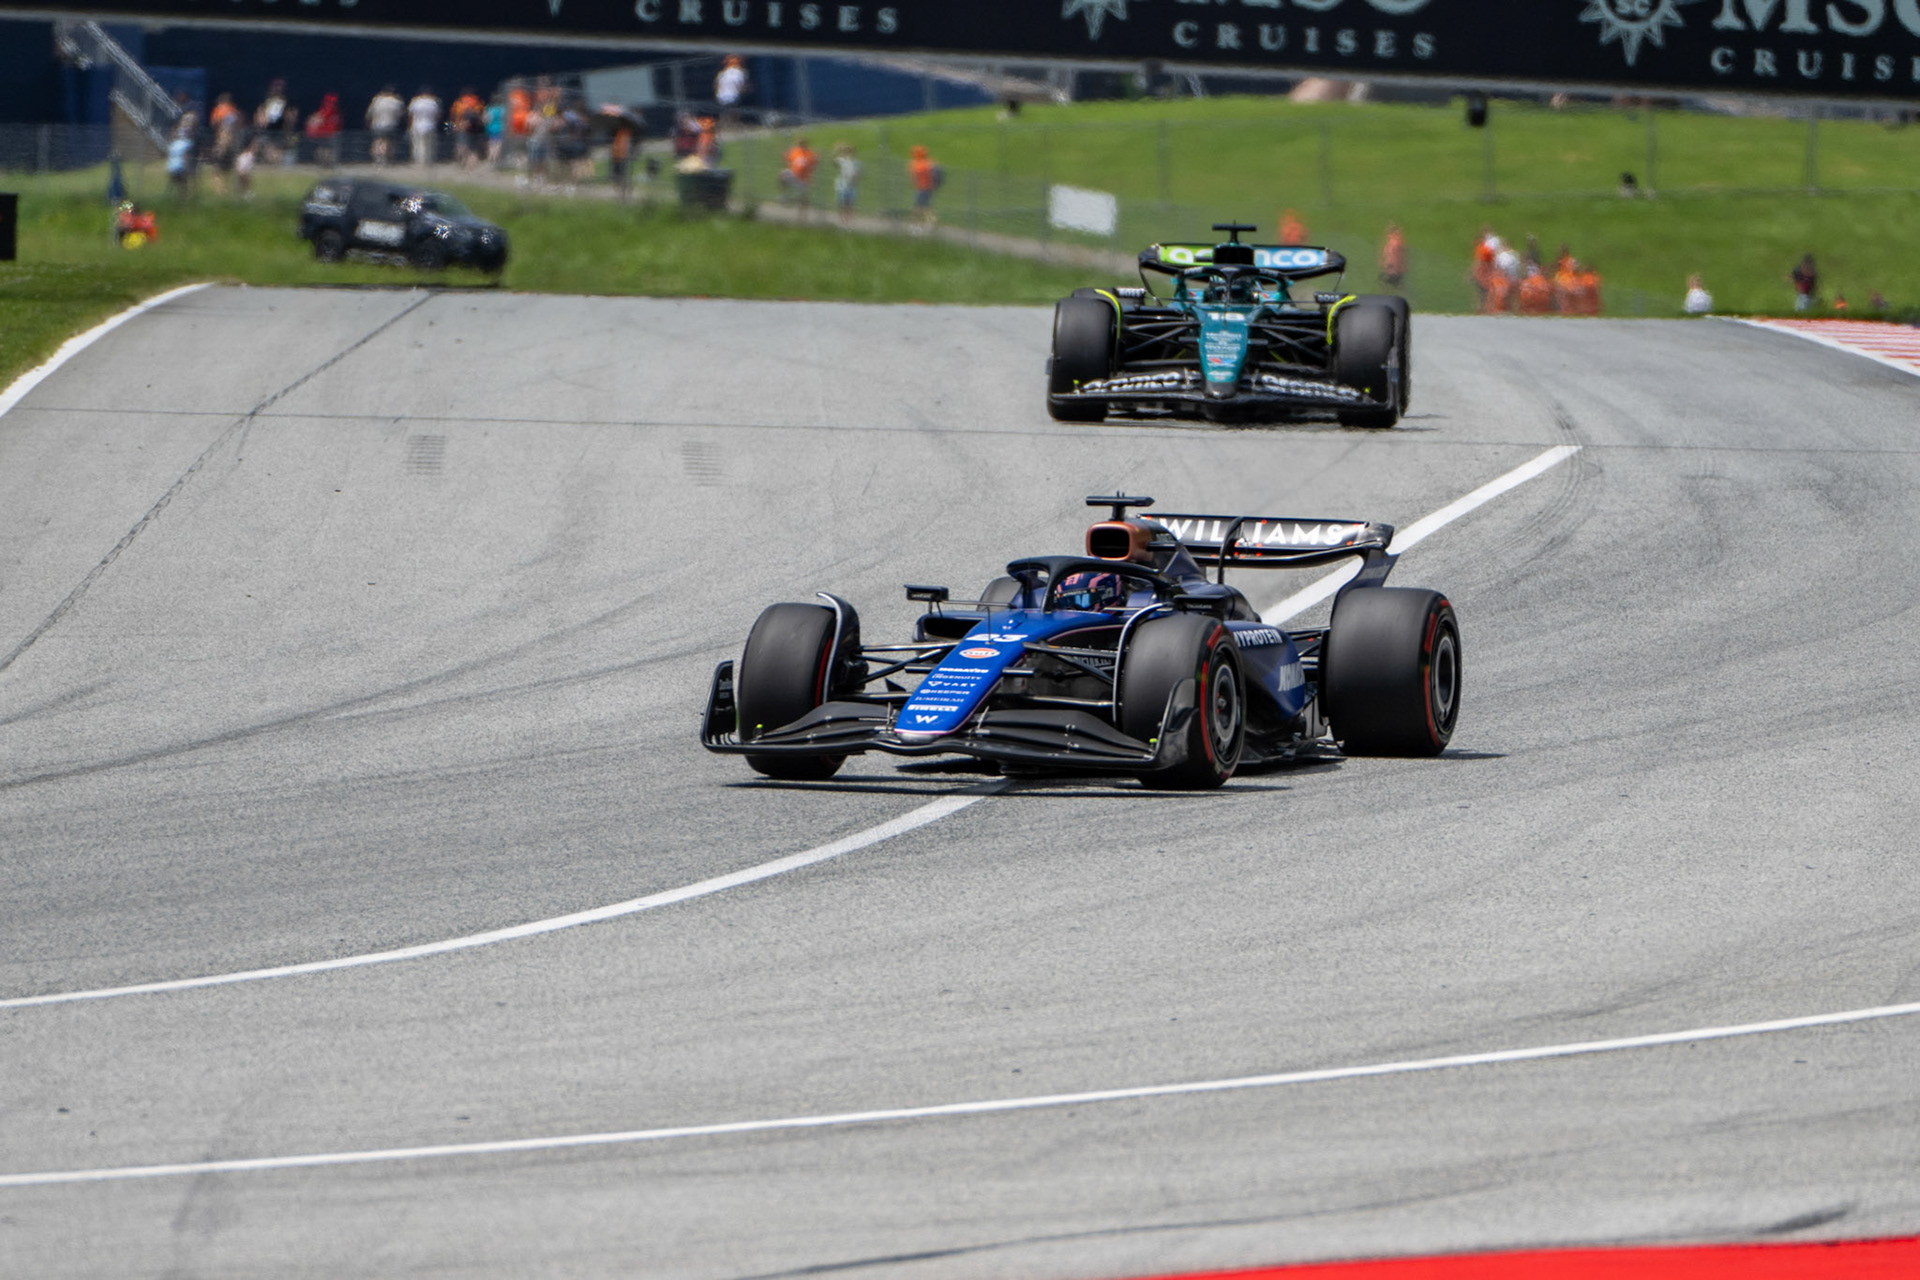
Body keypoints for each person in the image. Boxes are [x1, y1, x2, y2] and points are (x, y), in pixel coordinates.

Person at [449, 87, 485, 168]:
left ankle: (461, 161)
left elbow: (454, 115)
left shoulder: (459, 103)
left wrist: (453, 127)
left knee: (461, 144)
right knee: (473, 148)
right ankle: (472, 164)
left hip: (461, 127)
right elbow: (481, 114)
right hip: (475, 128)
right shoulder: (477, 102)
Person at [367, 86, 403, 165]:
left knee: (377, 141)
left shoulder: (376, 101)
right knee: (389, 143)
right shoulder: (396, 102)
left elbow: (370, 114)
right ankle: (387, 159)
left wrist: (368, 123)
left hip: (377, 124)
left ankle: (377, 159)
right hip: (391, 125)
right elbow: (400, 115)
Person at [304, 93, 341, 168]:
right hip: (323, 134)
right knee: (322, 149)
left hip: (330, 134)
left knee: (328, 149)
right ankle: (322, 164)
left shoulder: (333, 112)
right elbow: (314, 121)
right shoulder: (323, 112)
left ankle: (328, 164)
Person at [407, 86, 442, 167]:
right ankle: (428, 162)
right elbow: (438, 116)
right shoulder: (434, 102)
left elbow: (410, 115)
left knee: (417, 145)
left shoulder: (415, 102)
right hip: (430, 126)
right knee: (429, 145)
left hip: (417, 126)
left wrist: (409, 126)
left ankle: (419, 162)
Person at [908, 144, 940, 228]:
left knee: (919, 206)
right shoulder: (930, 163)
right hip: (929, 188)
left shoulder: (915, 165)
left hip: (922, 188)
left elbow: (914, 178)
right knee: (923, 206)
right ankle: (929, 221)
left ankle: (918, 222)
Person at [781, 136, 818, 206]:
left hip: (803, 179)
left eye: (802, 143)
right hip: (794, 175)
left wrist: (816, 159)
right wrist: (785, 156)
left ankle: (801, 210)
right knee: (783, 174)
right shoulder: (795, 151)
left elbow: (814, 165)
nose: (801, 145)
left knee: (803, 199)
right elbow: (788, 160)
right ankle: (785, 195)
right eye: (799, 144)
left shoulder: (810, 153)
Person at [715, 55, 747, 128]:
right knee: (731, 111)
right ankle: (731, 124)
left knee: (727, 111)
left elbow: (718, 85)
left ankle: (728, 124)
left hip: (724, 96)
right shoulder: (739, 73)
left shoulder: (723, 73)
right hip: (730, 96)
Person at [833, 142, 861, 223]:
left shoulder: (856, 162)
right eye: (846, 151)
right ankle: (841, 218)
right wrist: (836, 150)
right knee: (841, 203)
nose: (848, 153)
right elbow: (834, 163)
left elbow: (858, 174)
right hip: (841, 186)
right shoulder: (841, 160)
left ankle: (849, 219)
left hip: (851, 186)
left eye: (850, 151)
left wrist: (856, 177)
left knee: (850, 203)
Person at [165, 122, 194, 196]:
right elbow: (185, 156)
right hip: (180, 166)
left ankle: (168, 195)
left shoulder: (173, 144)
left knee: (172, 183)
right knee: (182, 185)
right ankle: (182, 197)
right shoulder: (185, 144)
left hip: (172, 166)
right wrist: (187, 167)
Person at [1378, 221, 1405, 288]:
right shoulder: (1396, 241)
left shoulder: (1394, 243)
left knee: (1385, 286)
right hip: (1393, 270)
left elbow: (1393, 257)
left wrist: (1388, 266)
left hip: (1392, 270)